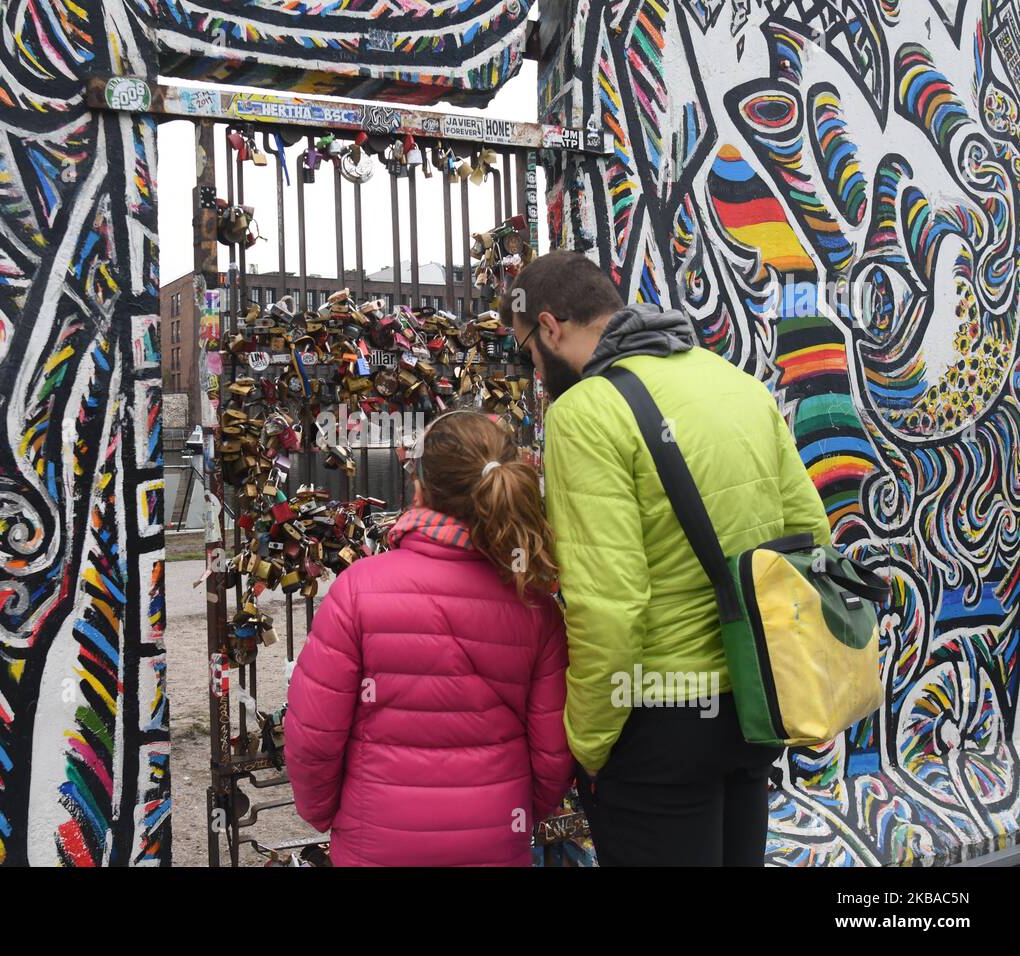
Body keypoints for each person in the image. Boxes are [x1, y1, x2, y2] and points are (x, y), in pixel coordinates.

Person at [504, 249, 832, 866]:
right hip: (754, 706)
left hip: (657, 723)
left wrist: (592, 743)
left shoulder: (583, 412)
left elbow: (609, 607)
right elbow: (809, 535)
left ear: (549, 327)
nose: (532, 371)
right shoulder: (734, 381)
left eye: (525, 352)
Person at [284, 410, 575, 866]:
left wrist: (325, 813)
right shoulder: (534, 605)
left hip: (375, 843)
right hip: (495, 841)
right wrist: (514, 807)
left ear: (420, 486)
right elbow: (554, 752)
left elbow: (313, 737)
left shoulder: (357, 590)